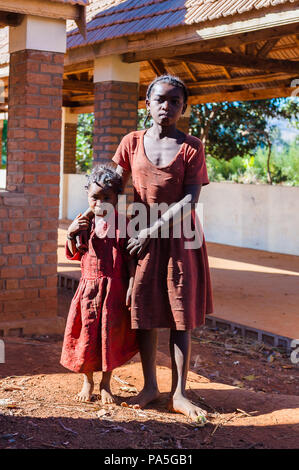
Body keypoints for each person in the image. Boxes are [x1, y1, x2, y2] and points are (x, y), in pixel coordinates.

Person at [112, 75, 213, 424]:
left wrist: (152, 229)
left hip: (180, 240)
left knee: (179, 315)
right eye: (160, 100)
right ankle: (150, 386)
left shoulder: (192, 147)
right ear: (147, 103)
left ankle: (179, 393)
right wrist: (91, 217)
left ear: (183, 108)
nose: (166, 107)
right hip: (142, 240)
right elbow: (111, 184)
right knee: (144, 310)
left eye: (174, 102)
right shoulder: (131, 142)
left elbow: (190, 199)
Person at [60, 164, 138, 404]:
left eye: (107, 197)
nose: (100, 202)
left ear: (116, 199)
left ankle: (105, 383)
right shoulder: (84, 224)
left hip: (114, 292)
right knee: (87, 334)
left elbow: (131, 261)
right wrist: (70, 233)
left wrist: (132, 287)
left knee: (109, 337)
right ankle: (88, 381)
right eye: (95, 197)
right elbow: (73, 252)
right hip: (88, 292)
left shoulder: (124, 225)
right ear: (87, 197)